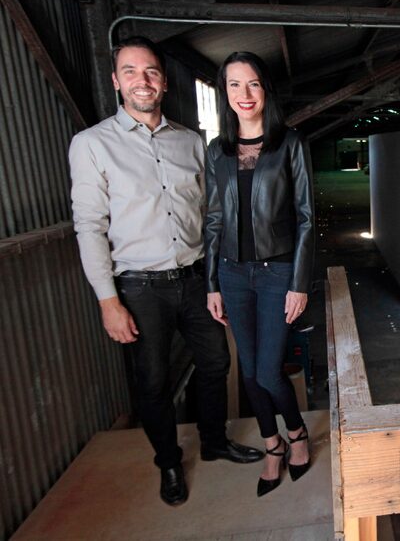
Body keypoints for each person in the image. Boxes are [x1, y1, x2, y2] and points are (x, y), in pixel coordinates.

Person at [69, 36, 263, 507]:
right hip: (139, 287)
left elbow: (209, 212)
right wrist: (108, 302)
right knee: (153, 381)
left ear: (164, 79)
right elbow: (89, 226)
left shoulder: (189, 141)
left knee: (216, 362)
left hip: (195, 278)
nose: (143, 80)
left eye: (151, 71)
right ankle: (170, 462)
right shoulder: (92, 145)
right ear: (116, 81)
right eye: (131, 72)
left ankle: (214, 442)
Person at [204, 51, 314, 497]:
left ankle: (298, 434)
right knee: (249, 372)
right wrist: (211, 282)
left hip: (276, 273)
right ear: (224, 92)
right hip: (232, 274)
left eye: (252, 83)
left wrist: (300, 282)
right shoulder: (218, 150)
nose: (244, 94)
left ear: (265, 88)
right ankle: (272, 445)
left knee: (268, 372)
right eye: (233, 85)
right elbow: (213, 220)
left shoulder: (289, 143)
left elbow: (306, 216)